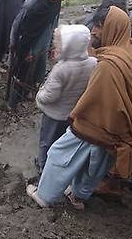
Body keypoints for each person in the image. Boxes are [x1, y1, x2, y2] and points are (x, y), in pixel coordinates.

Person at [27, 7, 132, 209]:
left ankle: (44, 196)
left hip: (97, 123)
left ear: (112, 28)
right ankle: (78, 197)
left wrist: (76, 119)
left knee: (59, 155)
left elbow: (94, 99)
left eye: (100, 26)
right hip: (121, 126)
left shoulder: (108, 65)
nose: (94, 31)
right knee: (95, 165)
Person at [35, 24, 97, 172]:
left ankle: (43, 166)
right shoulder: (92, 63)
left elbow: (50, 96)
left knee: (46, 141)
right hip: (73, 112)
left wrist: (39, 94)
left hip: (54, 114)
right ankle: (58, 164)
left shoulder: (61, 69)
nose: (56, 48)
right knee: (61, 140)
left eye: (60, 45)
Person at [8, 0, 64, 109]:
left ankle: (28, 94)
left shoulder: (56, 4)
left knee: (38, 73)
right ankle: (13, 103)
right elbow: (24, 30)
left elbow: (53, 25)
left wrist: (52, 44)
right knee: (21, 74)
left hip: (43, 48)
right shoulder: (36, 6)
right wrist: (29, 51)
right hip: (29, 48)